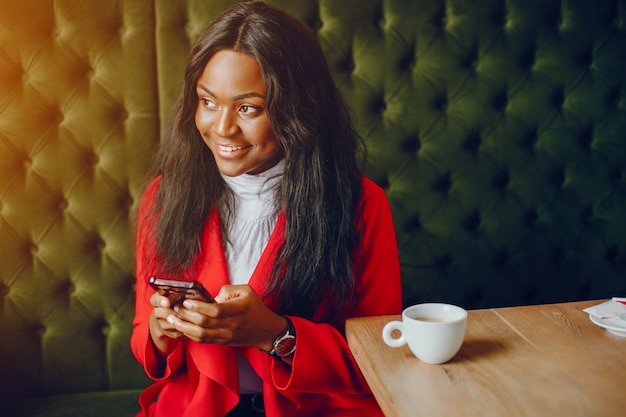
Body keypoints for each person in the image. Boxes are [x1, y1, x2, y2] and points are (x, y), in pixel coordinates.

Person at [131, 1, 402, 416]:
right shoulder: (163, 197)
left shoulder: (361, 205)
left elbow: (382, 351)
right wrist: (160, 332)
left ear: (299, 110)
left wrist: (277, 333)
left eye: (248, 108)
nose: (222, 128)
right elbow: (143, 339)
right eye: (208, 102)